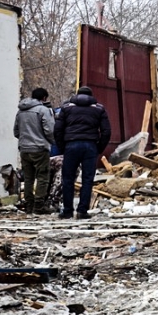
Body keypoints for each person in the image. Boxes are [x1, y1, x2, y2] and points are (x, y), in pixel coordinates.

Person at [55, 86, 112, 219]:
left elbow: (58, 129)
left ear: (77, 94)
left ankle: (67, 210)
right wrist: (99, 148)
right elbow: (106, 131)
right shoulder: (99, 109)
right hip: (90, 146)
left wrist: (62, 147)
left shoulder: (66, 108)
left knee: (68, 179)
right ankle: (82, 211)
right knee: (87, 179)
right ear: (91, 96)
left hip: (71, 144)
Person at [13, 87, 55, 215]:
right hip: (40, 149)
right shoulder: (43, 110)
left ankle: (29, 205)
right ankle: (39, 206)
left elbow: (16, 131)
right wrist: (51, 141)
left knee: (28, 178)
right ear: (44, 98)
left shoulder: (20, 112)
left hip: (24, 149)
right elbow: (49, 130)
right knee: (42, 177)